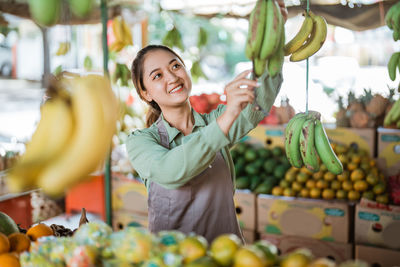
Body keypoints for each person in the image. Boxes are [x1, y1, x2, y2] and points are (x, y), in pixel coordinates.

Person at [126, 2, 287, 243]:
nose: (172, 76)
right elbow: (171, 171)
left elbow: (260, 101)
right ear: (145, 93)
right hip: (176, 260)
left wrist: (274, 35)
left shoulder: (214, 122)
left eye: (175, 66)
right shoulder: (141, 142)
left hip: (229, 257)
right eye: (157, 75)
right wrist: (228, 114)